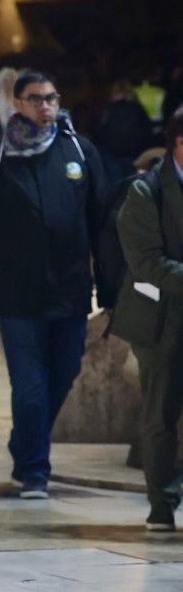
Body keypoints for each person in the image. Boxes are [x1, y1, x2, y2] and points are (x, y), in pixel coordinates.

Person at [0, 71, 112, 499]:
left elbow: (102, 225)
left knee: (63, 374)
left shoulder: (79, 150)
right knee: (30, 384)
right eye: (36, 99)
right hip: (14, 292)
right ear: (17, 103)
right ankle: (35, 471)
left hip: (70, 288)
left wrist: (111, 286)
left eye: (52, 98)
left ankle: (24, 443)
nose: (46, 106)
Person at [110, 117, 183, 533]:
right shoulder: (146, 192)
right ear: (178, 142)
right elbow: (146, 263)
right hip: (161, 318)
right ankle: (162, 502)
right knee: (161, 412)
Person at [98, 80, 159, 175]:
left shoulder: (110, 108)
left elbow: (102, 131)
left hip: (114, 154)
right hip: (136, 153)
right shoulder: (137, 107)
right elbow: (148, 130)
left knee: (118, 184)